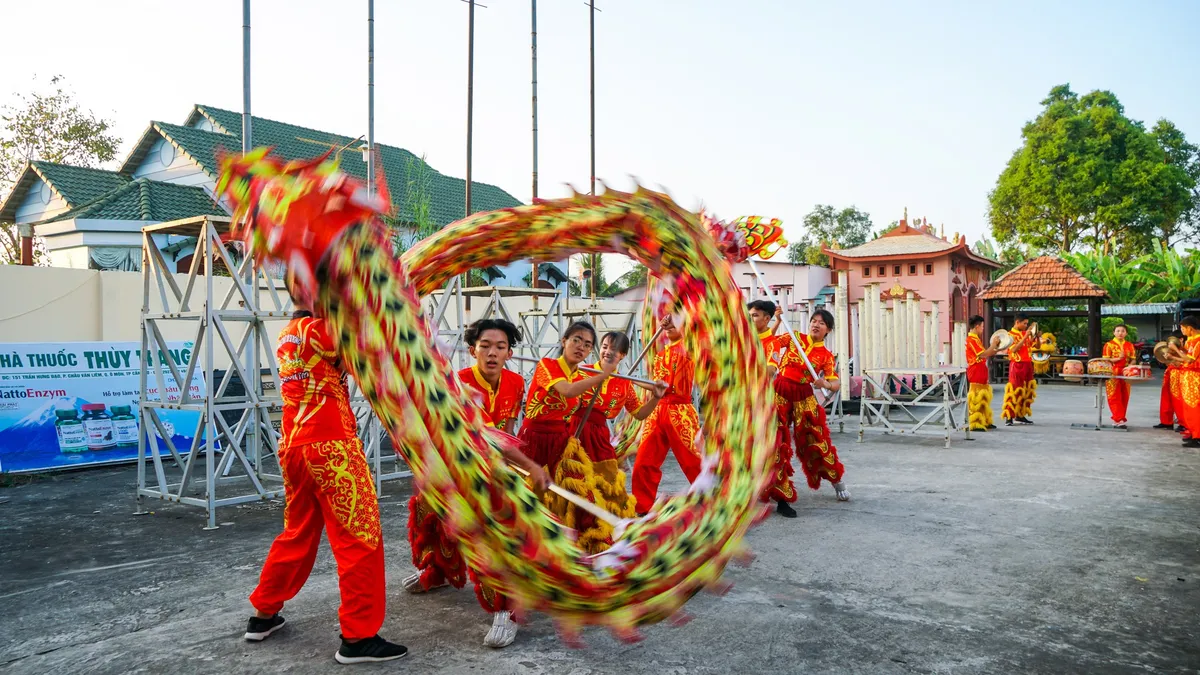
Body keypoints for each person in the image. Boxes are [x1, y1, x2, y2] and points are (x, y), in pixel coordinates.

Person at [245, 309, 407, 664]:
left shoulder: (288, 332)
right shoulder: (324, 329)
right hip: (332, 446)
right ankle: (359, 636)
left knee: (298, 531)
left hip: (294, 445)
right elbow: (376, 362)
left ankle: (263, 613)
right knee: (359, 537)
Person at [402, 318, 549, 650]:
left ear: (510, 352)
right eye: (485, 346)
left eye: (500, 347)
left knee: (492, 537)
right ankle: (435, 573)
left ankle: (505, 609)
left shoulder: (514, 382)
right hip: (451, 467)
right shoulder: (457, 384)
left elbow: (508, 430)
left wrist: (521, 467)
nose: (492, 353)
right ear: (472, 350)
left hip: (491, 472)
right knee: (433, 523)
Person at [566, 332, 666, 551]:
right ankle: (573, 531)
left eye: (613, 350)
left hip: (599, 436)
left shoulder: (624, 384)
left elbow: (639, 414)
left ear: (622, 355)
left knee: (608, 481)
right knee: (573, 480)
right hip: (574, 430)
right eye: (603, 347)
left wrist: (657, 397)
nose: (607, 352)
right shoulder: (582, 371)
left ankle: (606, 530)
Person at [772, 309, 850, 503]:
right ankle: (769, 484)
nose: (815, 325)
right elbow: (769, 342)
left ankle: (837, 481)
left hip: (803, 396)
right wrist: (777, 321)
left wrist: (825, 384)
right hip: (779, 390)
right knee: (772, 437)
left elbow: (836, 383)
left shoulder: (826, 356)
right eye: (814, 321)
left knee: (815, 439)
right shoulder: (795, 337)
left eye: (821, 323)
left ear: (828, 330)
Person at [520, 321, 617, 476]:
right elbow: (568, 391)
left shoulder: (580, 377)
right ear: (564, 341)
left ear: (590, 350)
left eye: (587, 345)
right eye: (576, 340)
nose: (580, 347)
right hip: (534, 439)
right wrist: (603, 376)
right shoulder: (547, 365)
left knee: (575, 490)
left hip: (561, 441)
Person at [632, 314, 704, 515]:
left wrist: (631, 379)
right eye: (666, 320)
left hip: (681, 412)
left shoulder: (691, 348)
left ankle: (715, 507)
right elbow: (658, 387)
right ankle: (642, 508)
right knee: (643, 462)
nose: (668, 324)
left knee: (694, 463)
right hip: (658, 411)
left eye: (675, 320)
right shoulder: (661, 354)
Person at [747, 300, 797, 515]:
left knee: (774, 452)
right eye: (749, 315)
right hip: (742, 404)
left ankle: (781, 498)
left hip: (765, 404)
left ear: (767, 319)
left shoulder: (772, 343)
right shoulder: (742, 341)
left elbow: (769, 371)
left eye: (755, 316)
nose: (750, 319)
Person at [966, 315, 1003, 432]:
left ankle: (984, 421)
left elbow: (987, 353)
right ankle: (975, 423)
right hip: (975, 369)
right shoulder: (971, 340)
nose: (983, 329)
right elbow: (982, 354)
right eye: (982, 326)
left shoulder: (976, 339)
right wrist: (993, 345)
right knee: (976, 397)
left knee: (983, 396)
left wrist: (996, 347)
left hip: (980, 369)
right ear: (977, 326)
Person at [1002, 313, 1040, 426]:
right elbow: (1013, 350)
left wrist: (1036, 337)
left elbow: (1037, 347)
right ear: (1017, 322)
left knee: (1026, 390)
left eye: (1027, 324)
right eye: (1024, 323)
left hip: (1028, 364)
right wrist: (1025, 337)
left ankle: (1020, 414)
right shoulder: (1009, 335)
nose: (1026, 325)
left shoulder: (1026, 333)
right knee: (1014, 390)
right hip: (1017, 364)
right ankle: (1009, 416)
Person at [1169, 317, 1200, 447]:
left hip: (1195, 377)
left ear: (1190, 328)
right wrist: (1172, 357)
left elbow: (1190, 360)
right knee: (1188, 406)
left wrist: (1175, 351)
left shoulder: (1198, 341)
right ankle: (1193, 433)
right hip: (1188, 376)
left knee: (1194, 406)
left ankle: (1197, 436)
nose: (1182, 331)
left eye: (1183, 328)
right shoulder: (1190, 341)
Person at [1102, 323, 1138, 429]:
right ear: (1114, 332)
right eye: (1118, 331)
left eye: (1122, 331)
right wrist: (1117, 359)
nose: (1120, 333)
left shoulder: (1129, 345)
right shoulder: (1109, 345)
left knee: (1124, 395)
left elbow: (1133, 358)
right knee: (1114, 395)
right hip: (1113, 372)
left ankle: (1121, 418)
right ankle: (1118, 419)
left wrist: (1130, 367)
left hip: (1126, 372)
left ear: (1126, 333)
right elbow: (1105, 360)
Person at [1155, 330, 1185, 431]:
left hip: (1179, 374)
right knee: (1166, 398)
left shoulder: (1185, 350)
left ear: (1181, 339)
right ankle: (1166, 422)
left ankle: (1183, 423)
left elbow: (1186, 363)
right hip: (1170, 373)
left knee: (1178, 400)